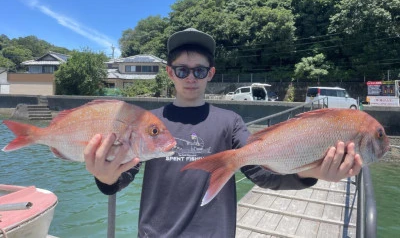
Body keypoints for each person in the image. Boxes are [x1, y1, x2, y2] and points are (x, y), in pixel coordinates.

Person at [84, 28, 362, 237]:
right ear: (169, 73)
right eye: (182, 70)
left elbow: (263, 174)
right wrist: (106, 177)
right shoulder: (148, 121)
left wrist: (312, 172)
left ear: (211, 73)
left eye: (199, 70)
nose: (190, 77)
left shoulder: (230, 122)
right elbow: (123, 174)